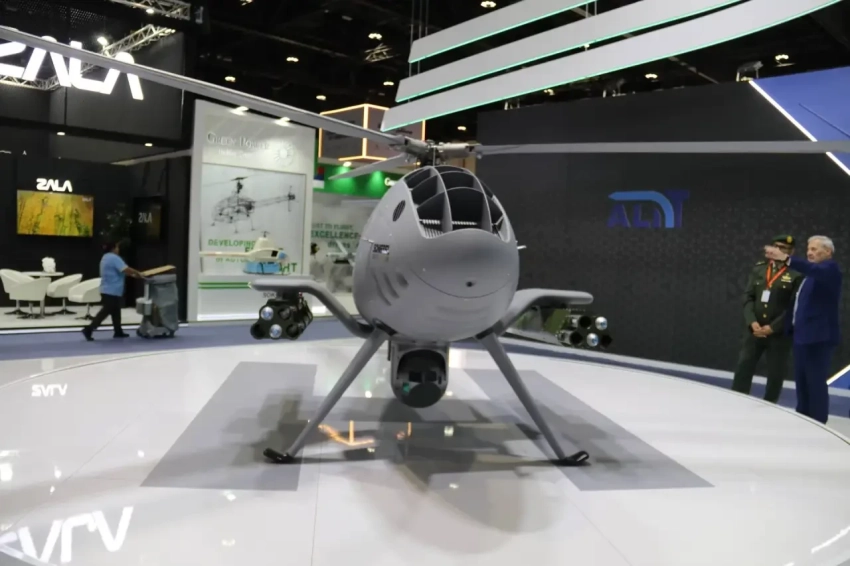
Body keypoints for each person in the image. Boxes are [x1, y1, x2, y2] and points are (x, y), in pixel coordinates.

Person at [764, 235, 842, 423]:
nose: (809, 253)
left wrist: (786, 258)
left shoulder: (830, 270)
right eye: (808, 249)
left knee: (815, 383)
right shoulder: (810, 276)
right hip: (801, 337)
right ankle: (803, 419)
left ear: (828, 252)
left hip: (818, 338)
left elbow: (812, 269)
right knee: (802, 382)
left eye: (814, 249)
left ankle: (818, 422)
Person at [732, 235, 802, 403]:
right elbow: (748, 297)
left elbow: (795, 306)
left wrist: (773, 327)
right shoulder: (760, 269)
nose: (778, 250)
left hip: (779, 333)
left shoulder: (797, 273)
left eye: (783, 248)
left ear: (791, 252)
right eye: (776, 246)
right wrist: (752, 322)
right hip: (755, 330)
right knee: (744, 366)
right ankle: (736, 400)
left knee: (776, 373)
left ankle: (770, 405)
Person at [82, 241, 144, 341]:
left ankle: (118, 331)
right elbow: (125, 269)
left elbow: (120, 271)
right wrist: (138, 273)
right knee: (106, 311)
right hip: (112, 290)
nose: (118, 250)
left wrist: (134, 275)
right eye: (117, 247)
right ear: (113, 248)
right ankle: (89, 329)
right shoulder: (114, 258)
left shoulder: (105, 257)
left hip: (107, 289)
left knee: (116, 311)